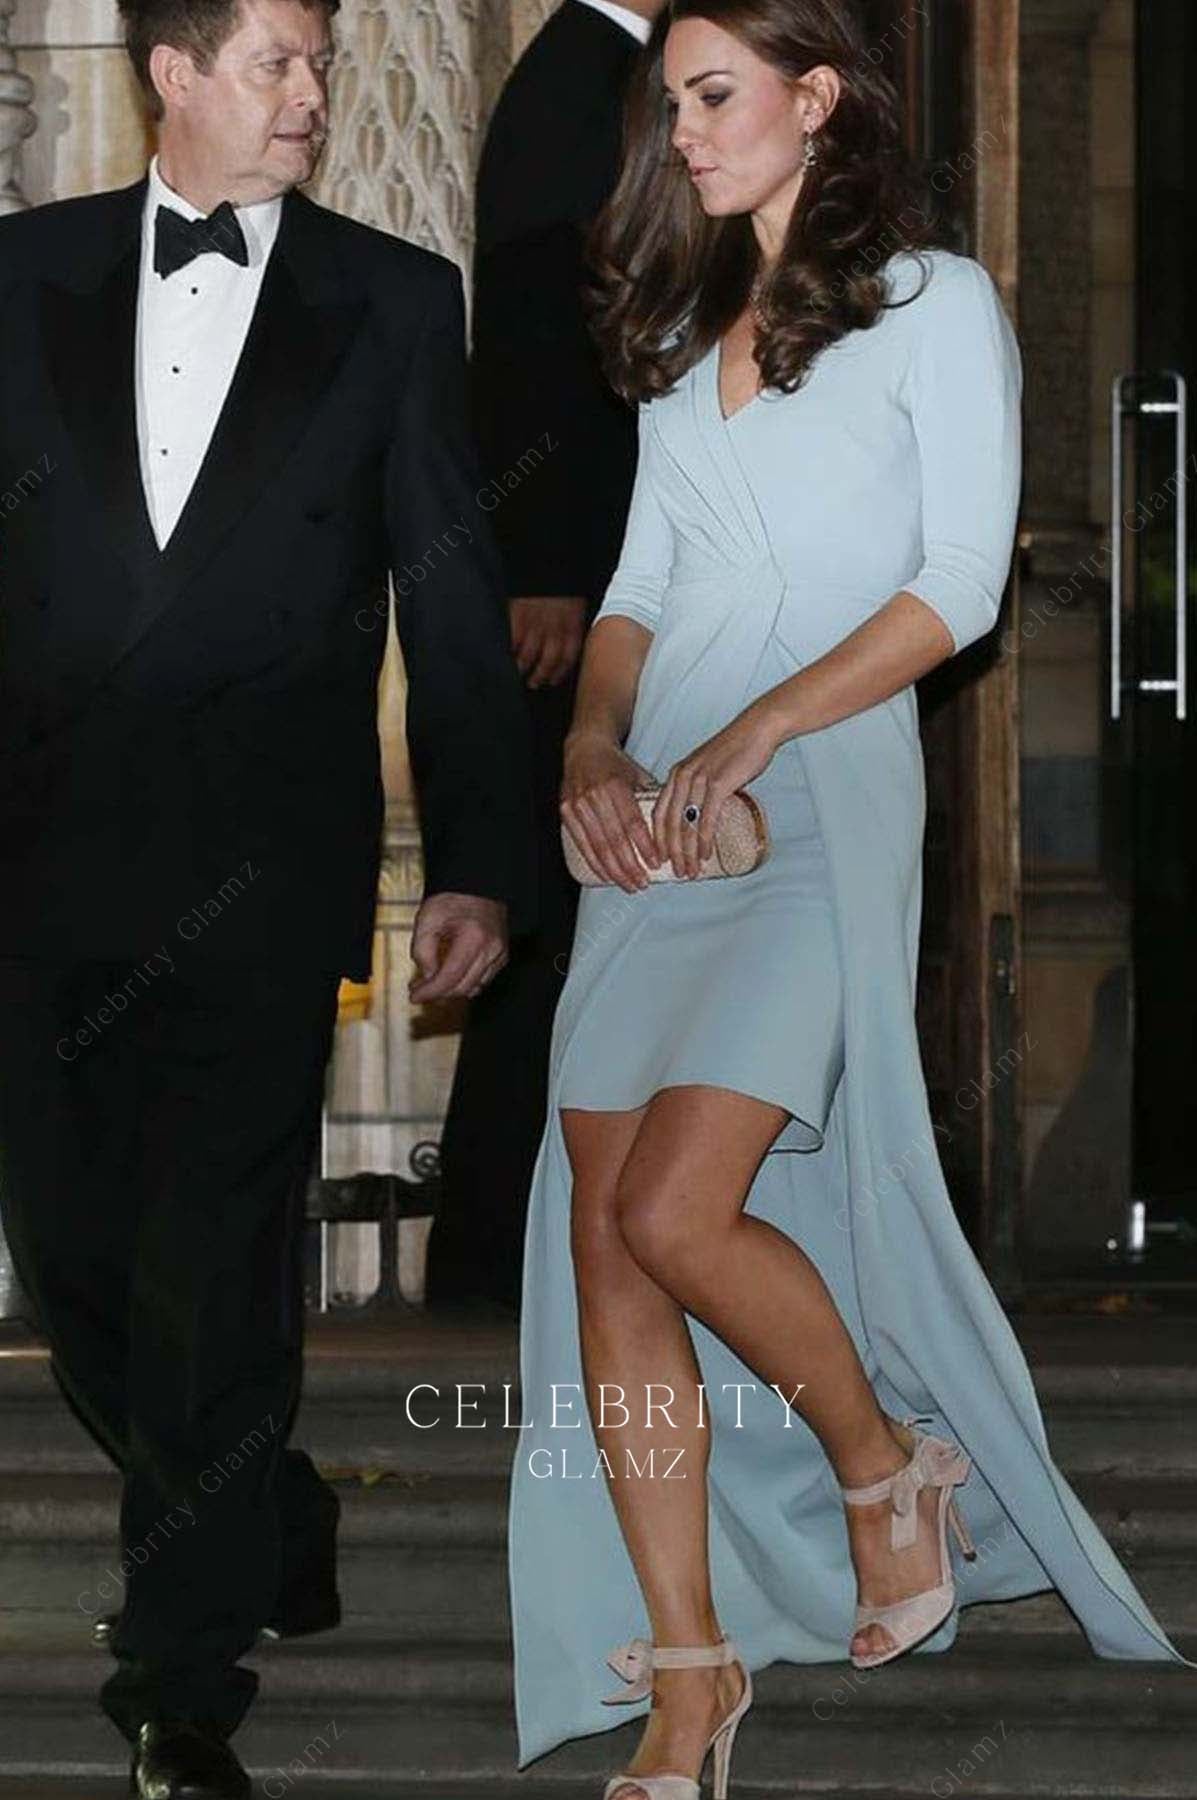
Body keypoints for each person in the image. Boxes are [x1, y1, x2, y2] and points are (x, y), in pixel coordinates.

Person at [506, 3, 1197, 1796]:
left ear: (816, 98)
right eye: (670, 103)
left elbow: (957, 586)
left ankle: (885, 1467)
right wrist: (592, 745)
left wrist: (759, 727)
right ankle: (688, 1674)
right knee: (606, 1238)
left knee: (677, 1206)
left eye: (715, 95)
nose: (683, 132)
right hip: (658, 816)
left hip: (816, 794)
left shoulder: (935, 305)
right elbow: (637, 586)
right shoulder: (679, 332)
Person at [0, 1, 535, 1795]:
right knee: (74, 1255)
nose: (313, 94)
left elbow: (451, 596)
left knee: (217, 1263)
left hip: (263, 869)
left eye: (321, 63)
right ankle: (267, 1503)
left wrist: (478, 860)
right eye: (277, 63)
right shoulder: (22, 276)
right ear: (172, 71)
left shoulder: (392, 301)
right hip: (40, 862)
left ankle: (179, 1681)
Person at [426, 0, 666, 1312]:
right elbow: (529, 334)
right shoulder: (581, 72)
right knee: (549, 906)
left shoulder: (617, 66)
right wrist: (548, 568)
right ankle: (489, 1251)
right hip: (573, 581)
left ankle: (530, 1246)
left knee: (584, 910)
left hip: (608, 569)